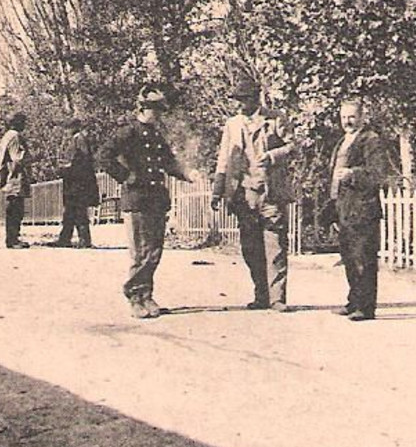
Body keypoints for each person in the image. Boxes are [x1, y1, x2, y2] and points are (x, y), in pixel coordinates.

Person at [211, 80, 312, 311]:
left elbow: (293, 147)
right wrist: (218, 191)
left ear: (256, 98)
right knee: (250, 247)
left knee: (275, 245)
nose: (240, 104)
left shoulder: (276, 119)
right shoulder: (232, 124)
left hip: (270, 192)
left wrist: (273, 156)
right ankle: (261, 295)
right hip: (243, 194)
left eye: (244, 99)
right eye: (237, 100)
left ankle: (278, 298)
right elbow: (223, 159)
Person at [99, 85, 191, 319]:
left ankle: (147, 295)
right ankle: (135, 296)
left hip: (156, 200)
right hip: (137, 199)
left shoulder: (157, 135)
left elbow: (169, 162)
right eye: (154, 109)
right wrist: (126, 176)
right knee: (140, 252)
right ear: (142, 108)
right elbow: (104, 156)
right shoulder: (128, 132)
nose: (158, 113)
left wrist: (186, 175)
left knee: (154, 252)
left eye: (160, 109)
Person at [327, 96, 390, 322]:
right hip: (344, 208)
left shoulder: (371, 140)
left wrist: (353, 174)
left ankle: (365, 307)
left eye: (352, 116)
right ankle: (353, 301)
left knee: (364, 258)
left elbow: (379, 174)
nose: (348, 121)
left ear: (362, 117)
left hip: (363, 209)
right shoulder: (342, 141)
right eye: (344, 117)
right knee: (350, 258)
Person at [50, 116, 97, 248]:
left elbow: (83, 159)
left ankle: (84, 240)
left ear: (74, 127)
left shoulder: (80, 139)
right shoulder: (76, 139)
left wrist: (66, 167)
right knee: (70, 211)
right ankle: (65, 238)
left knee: (79, 210)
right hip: (73, 181)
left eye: (68, 128)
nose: (66, 131)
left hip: (79, 182)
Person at [0, 112, 32, 249]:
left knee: (13, 209)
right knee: (16, 210)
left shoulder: (6, 136)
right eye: (23, 122)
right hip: (15, 177)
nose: (24, 125)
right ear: (17, 123)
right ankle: (13, 239)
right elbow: (18, 158)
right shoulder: (15, 136)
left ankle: (12, 238)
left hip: (8, 177)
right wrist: (32, 157)